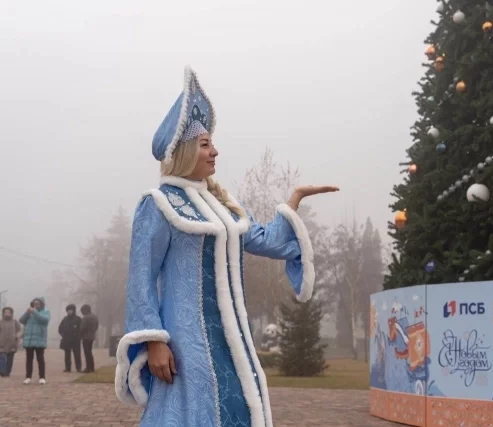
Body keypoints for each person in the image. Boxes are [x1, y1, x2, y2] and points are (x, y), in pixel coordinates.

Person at [114, 66, 339, 427]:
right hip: (186, 346)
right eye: (205, 145)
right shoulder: (157, 204)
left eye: (212, 144)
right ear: (185, 151)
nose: (215, 152)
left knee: (237, 408)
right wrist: (154, 341)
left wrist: (294, 200)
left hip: (233, 344)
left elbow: (267, 240)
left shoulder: (225, 205)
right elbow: (141, 279)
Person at [19, 297, 50, 385]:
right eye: (34, 303)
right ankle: (28, 377)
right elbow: (21, 320)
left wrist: (34, 312)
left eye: (37, 303)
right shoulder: (30, 312)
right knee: (29, 359)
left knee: (40, 359)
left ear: (41, 304)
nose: (36, 305)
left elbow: (44, 320)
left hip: (40, 339)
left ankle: (42, 377)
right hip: (29, 339)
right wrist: (27, 312)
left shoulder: (45, 312)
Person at [58, 304, 82, 373]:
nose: (69, 311)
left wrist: (78, 336)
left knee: (77, 354)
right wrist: (63, 335)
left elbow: (81, 329)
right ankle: (67, 368)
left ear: (73, 310)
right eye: (68, 310)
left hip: (76, 340)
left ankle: (78, 368)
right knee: (67, 355)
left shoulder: (78, 319)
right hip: (67, 339)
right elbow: (60, 328)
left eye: (70, 310)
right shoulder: (65, 319)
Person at [0, 307, 21, 377]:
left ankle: (7, 372)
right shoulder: (0, 322)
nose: (7, 314)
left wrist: (17, 336)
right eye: (5, 312)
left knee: (10, 360)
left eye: (9, 312)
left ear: (11, 313)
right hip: (2, 344)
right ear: (3, 313)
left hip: (12, 344)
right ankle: (2, 371)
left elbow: (19, 330)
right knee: (2, 358)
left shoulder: (15, 322)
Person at [79, 304, 99, 373]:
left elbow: (82, 328)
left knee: (87, 353)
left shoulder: (86, 317)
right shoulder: (95, 317)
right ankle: (92, 367)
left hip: (86, 337)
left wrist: (80, 335)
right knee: (89, 352)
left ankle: (88, 368)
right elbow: (96, 326)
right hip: (92, 336)